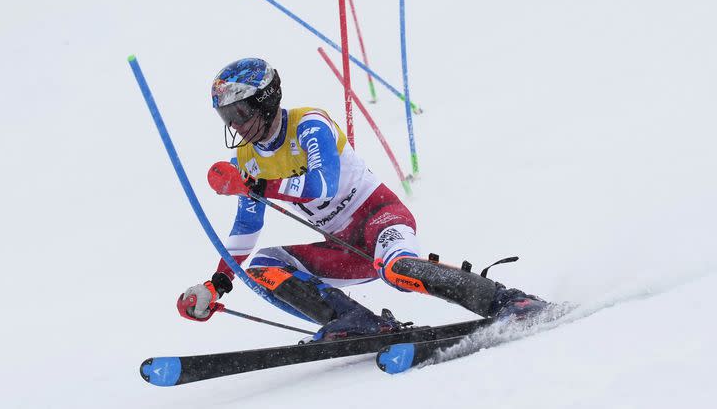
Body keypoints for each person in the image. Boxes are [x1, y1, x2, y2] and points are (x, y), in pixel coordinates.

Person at [181, 58, 547, 340]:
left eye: (239, 113)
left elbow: (323, 185)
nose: (235, 125)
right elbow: (248, 224)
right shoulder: (247, 159)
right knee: (262, 266)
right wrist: (218, 283)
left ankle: (509, 300)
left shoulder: (309, 125)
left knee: (396, 269)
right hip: (342, 249)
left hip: (380, 218)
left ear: (265, 101)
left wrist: (258, 187)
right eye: (226, 116)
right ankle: (355, 322)